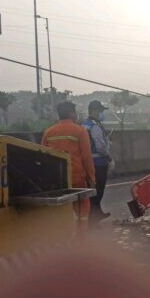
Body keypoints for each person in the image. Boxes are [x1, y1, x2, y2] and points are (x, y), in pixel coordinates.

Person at [42, 101, 96, 236]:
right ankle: (81, 239)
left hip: (55, 179)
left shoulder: (48, 132)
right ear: (72, 113)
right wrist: (92, 177)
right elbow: (87, 157)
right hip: (77, 177)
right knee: (82, 208)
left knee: (62, 209)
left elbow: (42, 157)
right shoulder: (80, 131)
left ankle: (63, 239)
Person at [83, 100, 112, 222]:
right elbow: (100, 146)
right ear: (94, 111)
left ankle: (97, 212)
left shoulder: (85, 124)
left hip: (89, 161)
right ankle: (93, 218)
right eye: (100, 111)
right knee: (98, 190)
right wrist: (108, 155)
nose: (102, 114)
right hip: (99, 162)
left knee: (93, 190)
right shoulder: (95, 126)